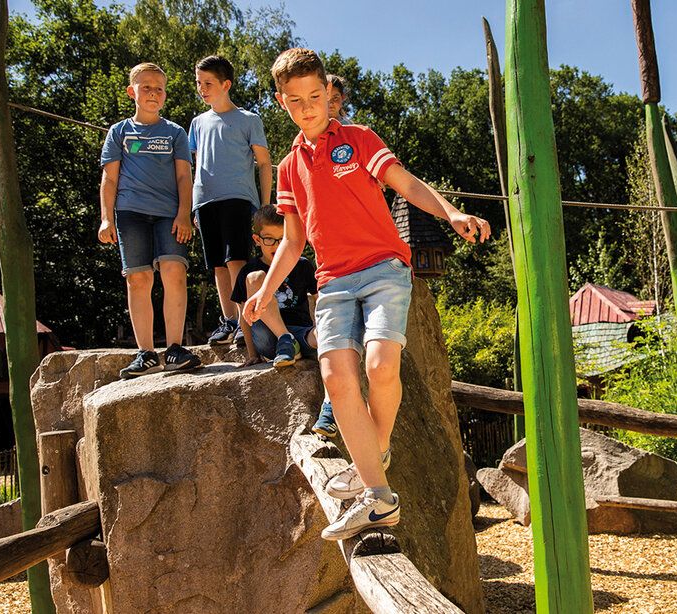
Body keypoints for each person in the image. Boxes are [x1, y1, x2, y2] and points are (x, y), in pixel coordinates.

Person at [243, 48, 490, 541]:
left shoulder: (356, 140)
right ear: (281, 102)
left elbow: (405, 183)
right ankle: (379, 498)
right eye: (296, 100)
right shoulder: (290, 167)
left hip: (382, 269)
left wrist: (451, 213)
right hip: (332, 281)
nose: (309, 107)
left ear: (328, 95)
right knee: (336, 378)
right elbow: (292, 240)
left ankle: (373, 453)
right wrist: (265, 289)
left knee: (380, 366)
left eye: (316, 96)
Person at [98, 62, 201, 379]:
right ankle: (146, 354)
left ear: (165, 94)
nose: (153, 93)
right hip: (130, 213)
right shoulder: (119, 132)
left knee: (174, 272)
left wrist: (185, 213)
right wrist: (106, 219)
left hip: (170, 213)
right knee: (138, 279)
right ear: (133, 92)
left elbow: (185, 176)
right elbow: (109, 180)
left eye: (159, 88)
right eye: (146, 87)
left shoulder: (175, 133)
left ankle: (174, 349)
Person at [233, 206, 338, 437]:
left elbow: (316, 302)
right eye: (269, 239)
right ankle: (285, 338)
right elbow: (244, 315)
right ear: (257, 239)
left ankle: (331, 408)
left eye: (283, 239)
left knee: (331, 337)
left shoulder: (303, 265)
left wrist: (318, 330)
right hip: (268, 337)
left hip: (301, 333)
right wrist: (252, 354)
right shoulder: (248, 270)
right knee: (257, 279)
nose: (276, 246)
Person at [189, 55, 273, 346]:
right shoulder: (197, 123)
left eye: (208, 83)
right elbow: (197, 164)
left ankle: (245, 324)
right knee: (218, 265)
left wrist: (265, 205)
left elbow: (263, 164)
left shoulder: (249, 120)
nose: (202, 88)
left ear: (226, 84)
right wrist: (193, 207)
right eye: (199, 83)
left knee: (236, 260)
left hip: (238, 198)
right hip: (205, 201)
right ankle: (229, 321)